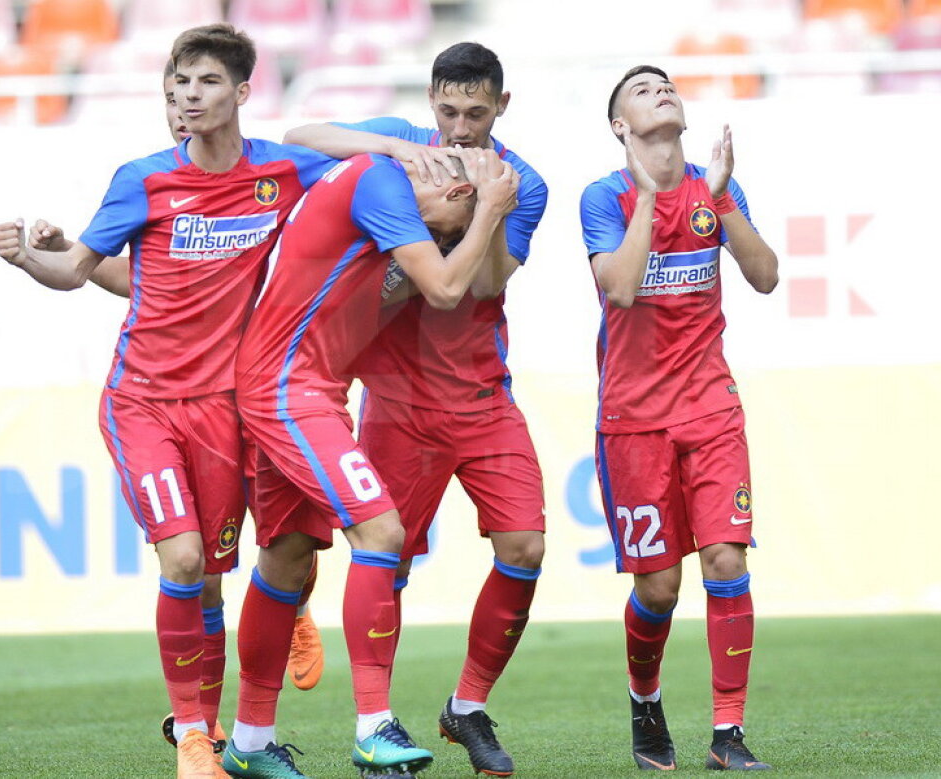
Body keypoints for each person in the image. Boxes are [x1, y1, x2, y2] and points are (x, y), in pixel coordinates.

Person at [0, 24, 336, 779]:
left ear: (243, 93)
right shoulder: (142, 179)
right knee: (184, 560)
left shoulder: (282, 171)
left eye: (206, 82)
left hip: (233, 404)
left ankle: (281, 625)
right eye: (178, 82)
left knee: (258, 560)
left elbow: (358, 164)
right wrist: (30, 259)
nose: (188, 95)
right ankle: (193, 738)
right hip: (144, 400)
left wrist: (413, 153)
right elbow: (82, 268)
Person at [283, 41, 546, 777]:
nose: (461, 127)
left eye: (476, 111)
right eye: (449, 110)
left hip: (483, 397)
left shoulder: (524, 181)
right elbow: (300, 140)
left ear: (502, 106)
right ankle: (377, 720)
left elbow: (486, 284)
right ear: (432, 102)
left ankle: (465, 706)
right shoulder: (401, 155)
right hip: (398, 401)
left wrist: (489, 206)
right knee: (381, 558)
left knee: (524, 547)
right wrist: (397, 146)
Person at [226, 147, 519, 779]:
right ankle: (373, 728)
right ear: (458, 193)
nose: (437, 240)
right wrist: (494, 209)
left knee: (287, 556)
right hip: (286, 390)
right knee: (382, 533)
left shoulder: (376, 189)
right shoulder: (381, 180)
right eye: (447, 229)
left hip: (302, 387)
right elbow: (445, 288)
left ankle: (249, 741)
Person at [579, 65, 779, 772]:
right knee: (658, 587)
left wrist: (722, 203)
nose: (661, 91)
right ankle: (644, 697)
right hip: (633, 420)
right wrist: (648, 199)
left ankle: (728, 731)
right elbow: (623, 288)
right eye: (641, 90)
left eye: (666, 85)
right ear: (620, 126)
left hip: (711, 407)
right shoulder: (603, 197)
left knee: (726, 559)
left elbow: (765, 274)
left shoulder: (714, 190)